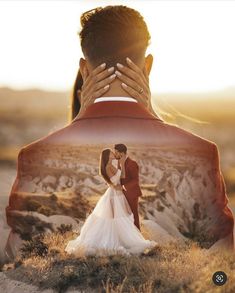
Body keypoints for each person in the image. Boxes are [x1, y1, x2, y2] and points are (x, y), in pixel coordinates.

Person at [5, 5, 234, 261]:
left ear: (84, 70)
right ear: (148, 66)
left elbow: (16, 262)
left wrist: (78, 122)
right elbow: (224, 265)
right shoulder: (201, 152)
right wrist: (154, 120)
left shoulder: (33, 155)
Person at [65, 148, 157, 256]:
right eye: (111, 153)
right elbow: (114, 182)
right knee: (114, 219)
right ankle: (113, 241)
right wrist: (119, 186)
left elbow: (121, 176)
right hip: (114, 195)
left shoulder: (112, 165)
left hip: (117, 194)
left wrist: (121, 165)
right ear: (108, 156)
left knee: (119, 218)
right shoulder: (108, 167)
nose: (114, 154)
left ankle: (119, 238)